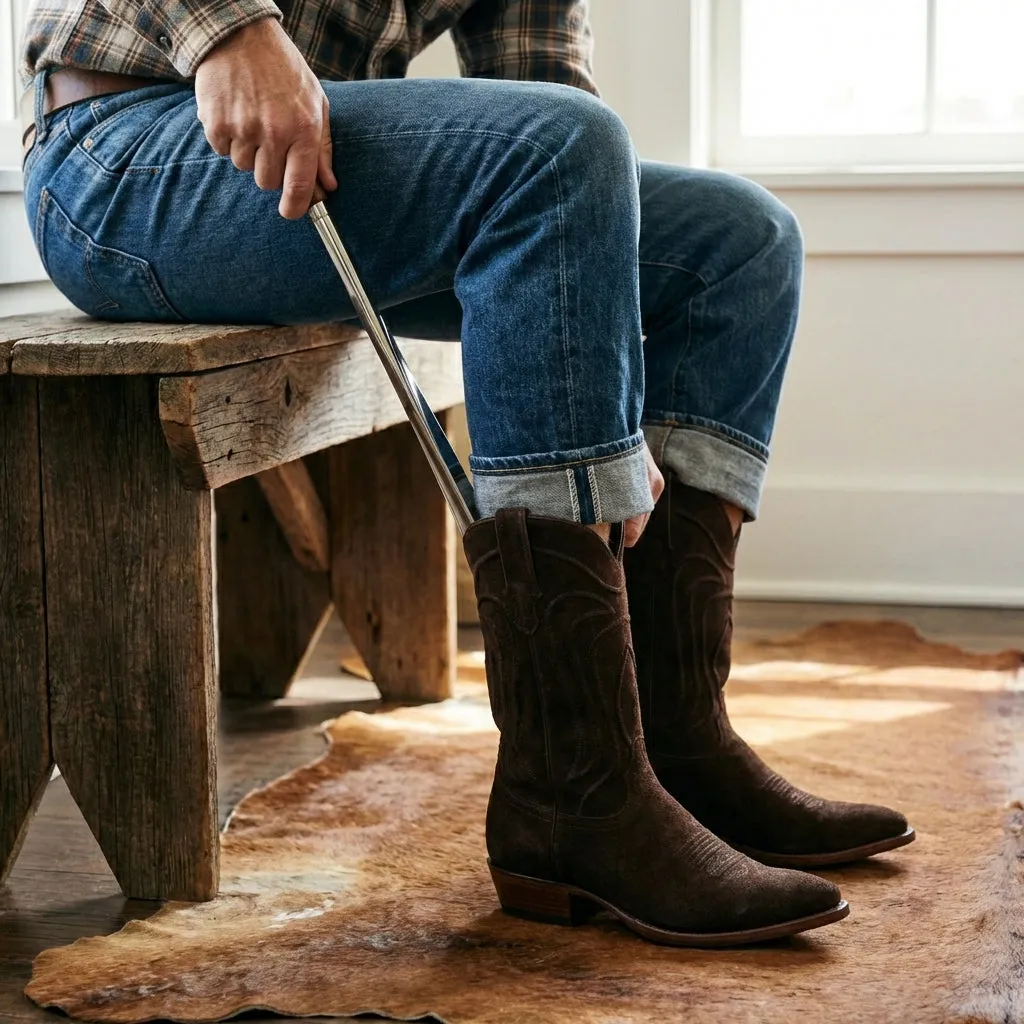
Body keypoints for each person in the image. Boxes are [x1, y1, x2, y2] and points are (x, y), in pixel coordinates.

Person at [20, 0, 913, 946]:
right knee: (552, 151)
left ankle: (674, 745)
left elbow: (552, 108)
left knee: (738, 241)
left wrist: (610, 392)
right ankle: (574, 792)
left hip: (323, 163)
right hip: (126, 155)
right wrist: (230, 27)